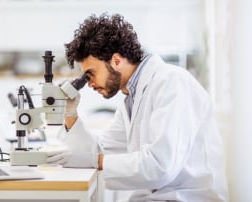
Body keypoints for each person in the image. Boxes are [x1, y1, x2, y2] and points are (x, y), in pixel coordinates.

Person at [47, 13, 228, 201]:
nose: (89, 83)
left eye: (90, 74)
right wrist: (71, 115)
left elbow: (160, 166)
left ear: (116, 61)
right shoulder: (131, 98)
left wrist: (96, 161)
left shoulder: (171, 83)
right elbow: (100, 150)